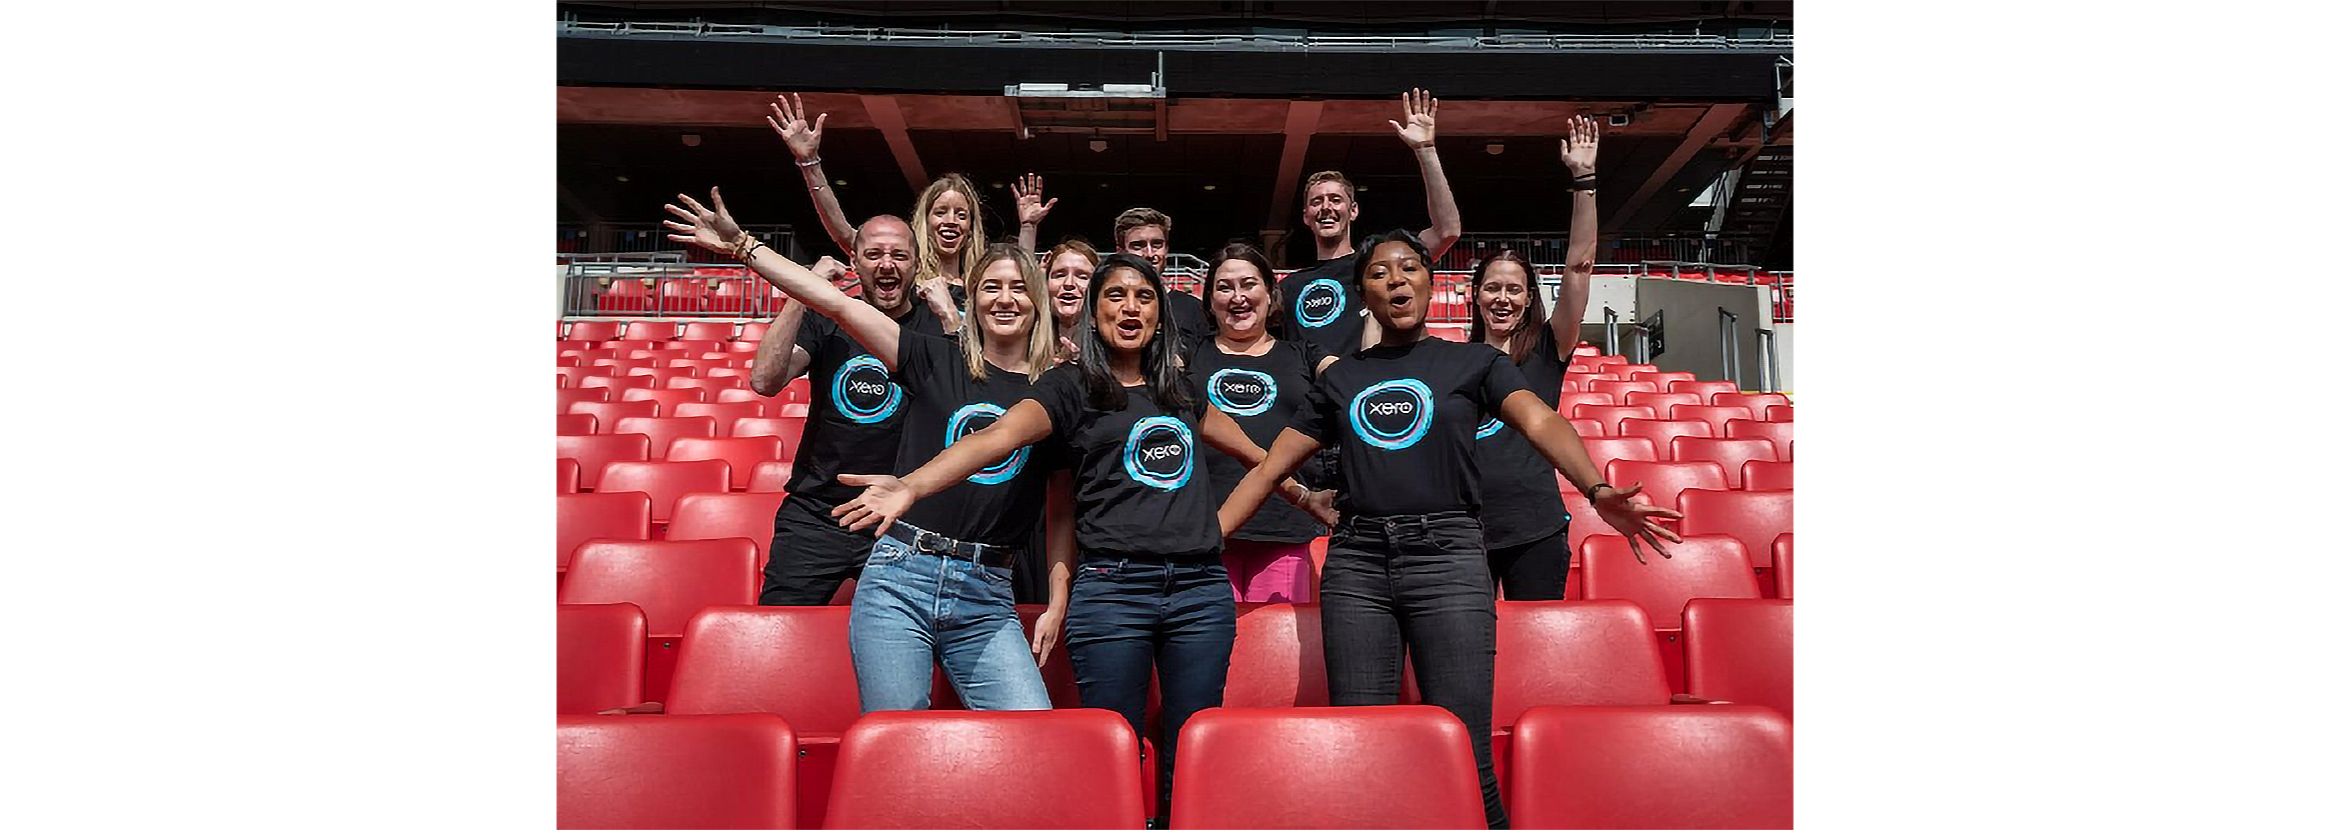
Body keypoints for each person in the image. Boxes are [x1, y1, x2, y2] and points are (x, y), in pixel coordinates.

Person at [827, 254, 1333, 823]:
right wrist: (912, 487)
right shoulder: (1070, 388)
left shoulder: (1181, 391)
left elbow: (1254, 457)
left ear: (1161, 316)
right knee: (1109, 744)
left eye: (1143, 297)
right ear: (1092, 314)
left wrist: (1294, 499)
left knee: (1193, 740)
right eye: (1115, 296)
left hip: (1198, 594)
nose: (1130, 308)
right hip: (1114, 591)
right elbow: (996, 438)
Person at [1216, 229, 1683, 830]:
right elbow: (1270, 466)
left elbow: (1541, 420)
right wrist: (1210, 535)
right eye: (1380, 274)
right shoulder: (1339, 380)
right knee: (1367, 745)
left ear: (1431, 283)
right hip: (1357, 565)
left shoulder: (1474, 362)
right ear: (1364, 294)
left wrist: (1595, 487)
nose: (1396, 281)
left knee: (1464, 750)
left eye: (1409, 268)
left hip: (1451, 561)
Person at [667, 190, 1077, 711]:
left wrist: (1059, 597)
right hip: (901, 576)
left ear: (1037, 302)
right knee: (896, 734)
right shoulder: (934, 359)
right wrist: (746, 247)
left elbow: (1061, 503)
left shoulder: (1059, 387)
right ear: (970, 300)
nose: (1005, 299)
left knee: (1031, 726)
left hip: (986, 589)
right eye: (991, 287)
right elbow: (835, 302)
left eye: (1020, 289)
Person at [732, 205, 946, 606]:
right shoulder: (824, 320)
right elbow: (765, 380)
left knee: (905, 646)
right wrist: (805, 293)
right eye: (874, 254)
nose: (887, 265)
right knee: (781, 629)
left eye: (899, 256)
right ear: (855, 261)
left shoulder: (935, 327)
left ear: (917, 264)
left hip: (901, 517)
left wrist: (951, 317)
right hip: (817, 514)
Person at [1468, 115, 1603, 600]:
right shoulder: (1451, 361)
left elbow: (1580, 265)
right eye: (1492, 288)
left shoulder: (1549, 349)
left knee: (1539, 650)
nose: (1502, 299)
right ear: (1476, 296)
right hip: (1464, 536)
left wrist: (1584, 181)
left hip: (1535, 530)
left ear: (1528, 299)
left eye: (1514, 290)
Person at [772, 94, 1059, 321]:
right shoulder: (903, 268)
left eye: (962, 215)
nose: (951, 221)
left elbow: (1021, 276)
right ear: (925, 219)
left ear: (971, 227)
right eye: (941, 212)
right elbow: (843, 231)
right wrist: (810, 164)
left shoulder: (981, 277)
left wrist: (1028, 226)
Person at [1190, 243, 1341, 603]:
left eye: (1249, 284)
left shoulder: (1303, 354)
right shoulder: (1186, 354)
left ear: (1271, 293)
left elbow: (1350, 379)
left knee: (1275, 654)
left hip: (1283, 530)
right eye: (1224, 287)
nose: (1238, 297)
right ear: (1209, 300)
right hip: (1202, 531)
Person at [1276, 88, 1463, 359]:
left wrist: (1425, 149)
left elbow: (1448, 231)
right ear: (1306, 216)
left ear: (1353, 210)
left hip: (1365, 390)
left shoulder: (1375, 264)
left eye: (1335, 200)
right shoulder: (1290, 286)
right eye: (1317, 202)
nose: (1326, 207)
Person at [1111, 207, 1212, 356]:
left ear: (1166, 249)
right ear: (1120, 252)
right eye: (1138, 245)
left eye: (1157, 244)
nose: (1150, 254)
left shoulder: (1193, 309)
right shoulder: (1108, 307)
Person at [1043, 238, 1099, 363]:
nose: (1069, 284)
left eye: (1082, 276)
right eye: (1059, 275)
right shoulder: (1027, 342)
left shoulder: (1109, 345)